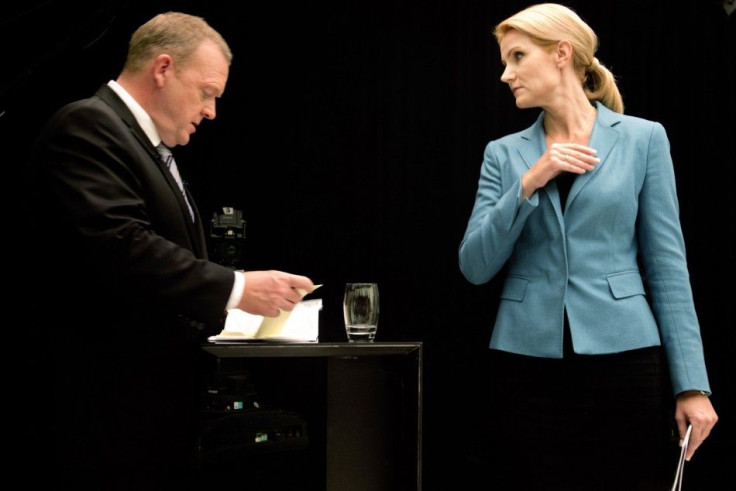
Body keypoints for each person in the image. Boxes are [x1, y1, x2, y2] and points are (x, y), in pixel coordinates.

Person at [22, 12, 315, 488]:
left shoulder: (145, 146)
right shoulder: (87, 127)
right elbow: (124, 248)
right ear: (163, 69)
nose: (211, 111)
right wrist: (237, 288)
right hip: (100, 410)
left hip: (143, 409)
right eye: (207, 92)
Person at [458, 3, 718, 490]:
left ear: (561, 53)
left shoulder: (644, 140)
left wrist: (692, 384)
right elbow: (474, 265)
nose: (505, 74)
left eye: (516, 57)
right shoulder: (504, 153)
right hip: (525, 365)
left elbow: (667, 267)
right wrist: (529, 183)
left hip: (625, 362)